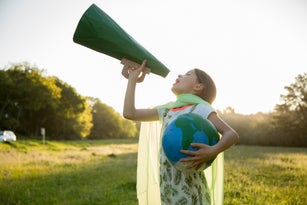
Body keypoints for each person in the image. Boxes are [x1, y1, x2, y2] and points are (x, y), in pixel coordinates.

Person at [122, 59, 239, 205]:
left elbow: (231, 134)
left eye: (187, 74)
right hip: (168, 186)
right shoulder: (167, 110)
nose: (180, 75)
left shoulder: (201, 108)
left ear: (198, 87)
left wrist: (213, 150)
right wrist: (132, 79)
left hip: (190, 191)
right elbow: (129, 113)